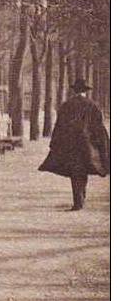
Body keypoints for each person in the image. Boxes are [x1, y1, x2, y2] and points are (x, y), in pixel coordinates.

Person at [38, 77, 110, 211]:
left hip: (71, 145)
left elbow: (59, 125)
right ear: (85, 91)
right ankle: (81, 197)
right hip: (87, 145)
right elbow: (98, 127)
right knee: (83, 170)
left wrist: (55, 143)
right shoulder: (92, 105)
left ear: (74, 90)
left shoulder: (66, 105)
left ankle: (78, 200)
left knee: (75, 171)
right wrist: (102, 144)